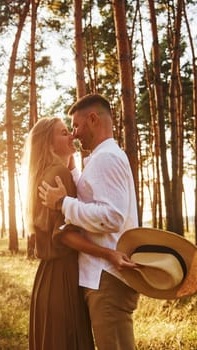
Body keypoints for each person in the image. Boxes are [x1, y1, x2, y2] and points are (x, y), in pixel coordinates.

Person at [23, 117, 135, 350]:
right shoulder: (57, 175)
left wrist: (72, 165)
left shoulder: (51, 172)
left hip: (49, 278)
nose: (72, 135)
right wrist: (108, 253)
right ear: (48, 144)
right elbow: (63, 235)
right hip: (62, 277)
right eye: (64, 133)